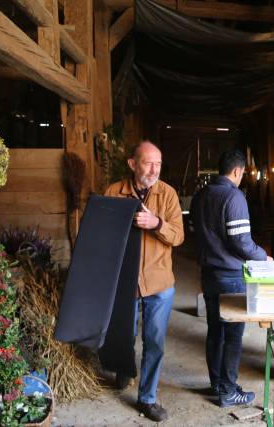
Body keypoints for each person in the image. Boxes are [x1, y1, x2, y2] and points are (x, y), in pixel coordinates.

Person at [104, 140, 184, 421]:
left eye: (158, 164)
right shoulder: (115, 192)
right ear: (132, 164)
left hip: (159, 282)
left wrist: (157, 224)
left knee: (154, 342)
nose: (154, 169)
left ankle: (147, 398)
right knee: (124, 335)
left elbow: (178, 235)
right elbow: (103, 234)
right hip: (125, 281)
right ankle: (124, 368)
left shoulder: (168, 194)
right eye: (148, 163)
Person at [190, 149, 272, 407]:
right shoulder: (234, 197)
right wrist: (263, 257)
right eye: (243, 173)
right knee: (233, 335)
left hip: (208, 274)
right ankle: (228, 390)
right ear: (237, 171)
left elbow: (195, 231)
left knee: (215, 331)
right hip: (231, 276)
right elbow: (241, 242)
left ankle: (217, 383)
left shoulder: (200, 196)